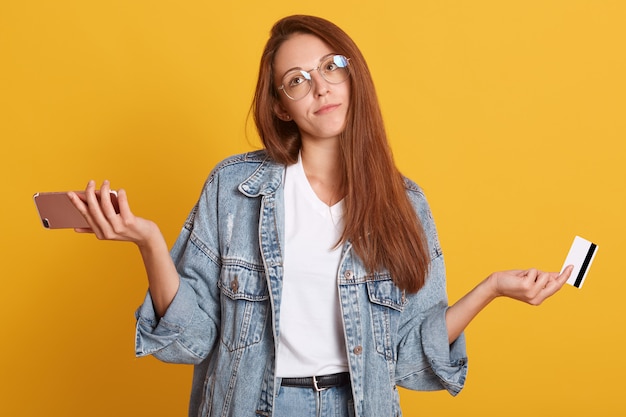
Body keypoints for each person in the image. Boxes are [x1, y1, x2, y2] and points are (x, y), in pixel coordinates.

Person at [68, 14, 573, 417]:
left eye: (331, 66)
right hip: (254, 406)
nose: (320, 87)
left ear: (353, 74)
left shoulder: (405, 203)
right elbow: (192, 338)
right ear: (282, 107)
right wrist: (151, 242)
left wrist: (491, 289)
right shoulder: (234, 188)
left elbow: (412, 359)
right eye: (297, 80)